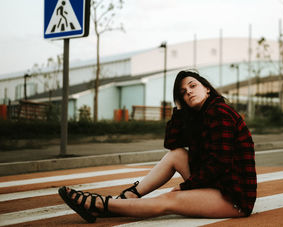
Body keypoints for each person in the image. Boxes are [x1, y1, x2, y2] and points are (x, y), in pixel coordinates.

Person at [58, 70, 257, 223]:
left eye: (192, 86)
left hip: (233, 197)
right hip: (216, 184)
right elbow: (172, 144)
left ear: (207, 88)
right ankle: (129, 196)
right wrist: (179, 109)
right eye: (183, 92)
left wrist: (183, 187)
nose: (188, 91)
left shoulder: (219, 112)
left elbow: (219, 163)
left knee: (168, 201)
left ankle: (102, 205)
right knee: (176, 155)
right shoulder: (200, 117)